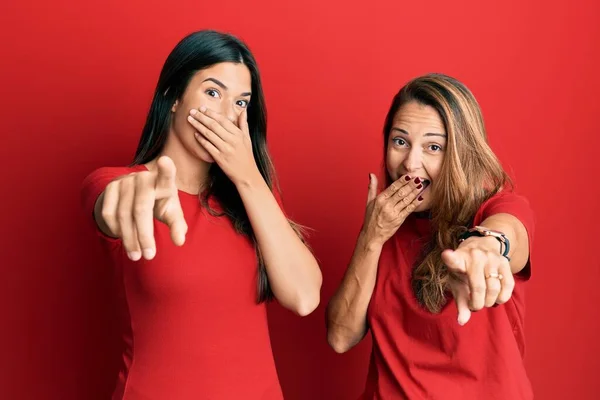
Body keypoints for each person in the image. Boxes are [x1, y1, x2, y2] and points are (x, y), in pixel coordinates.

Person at [81, 30, 322, 400]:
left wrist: (247, 175)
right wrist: (125, 195)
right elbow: (109, 202)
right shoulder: (122, 184)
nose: (227, 114)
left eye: (241, 103)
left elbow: (304, 297)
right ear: (173, 97)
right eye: (213, 93)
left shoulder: (253, 200)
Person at [326, 73, 535, 399]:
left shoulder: (497, 207)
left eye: (433, 147)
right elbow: (341, 337)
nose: (411, 162)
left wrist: (483, 246)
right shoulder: (384, 225)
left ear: (462, 154)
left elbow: (507, 234)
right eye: (400, 141)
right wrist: (371, 237)